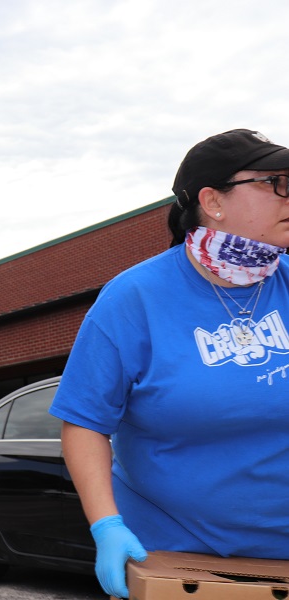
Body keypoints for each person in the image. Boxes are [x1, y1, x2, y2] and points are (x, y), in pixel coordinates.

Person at [49, 129, 289, 598]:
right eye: (273, 182)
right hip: (179, 557)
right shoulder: (133, 297)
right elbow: (84, 422)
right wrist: (106, 525)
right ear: (213, 202)